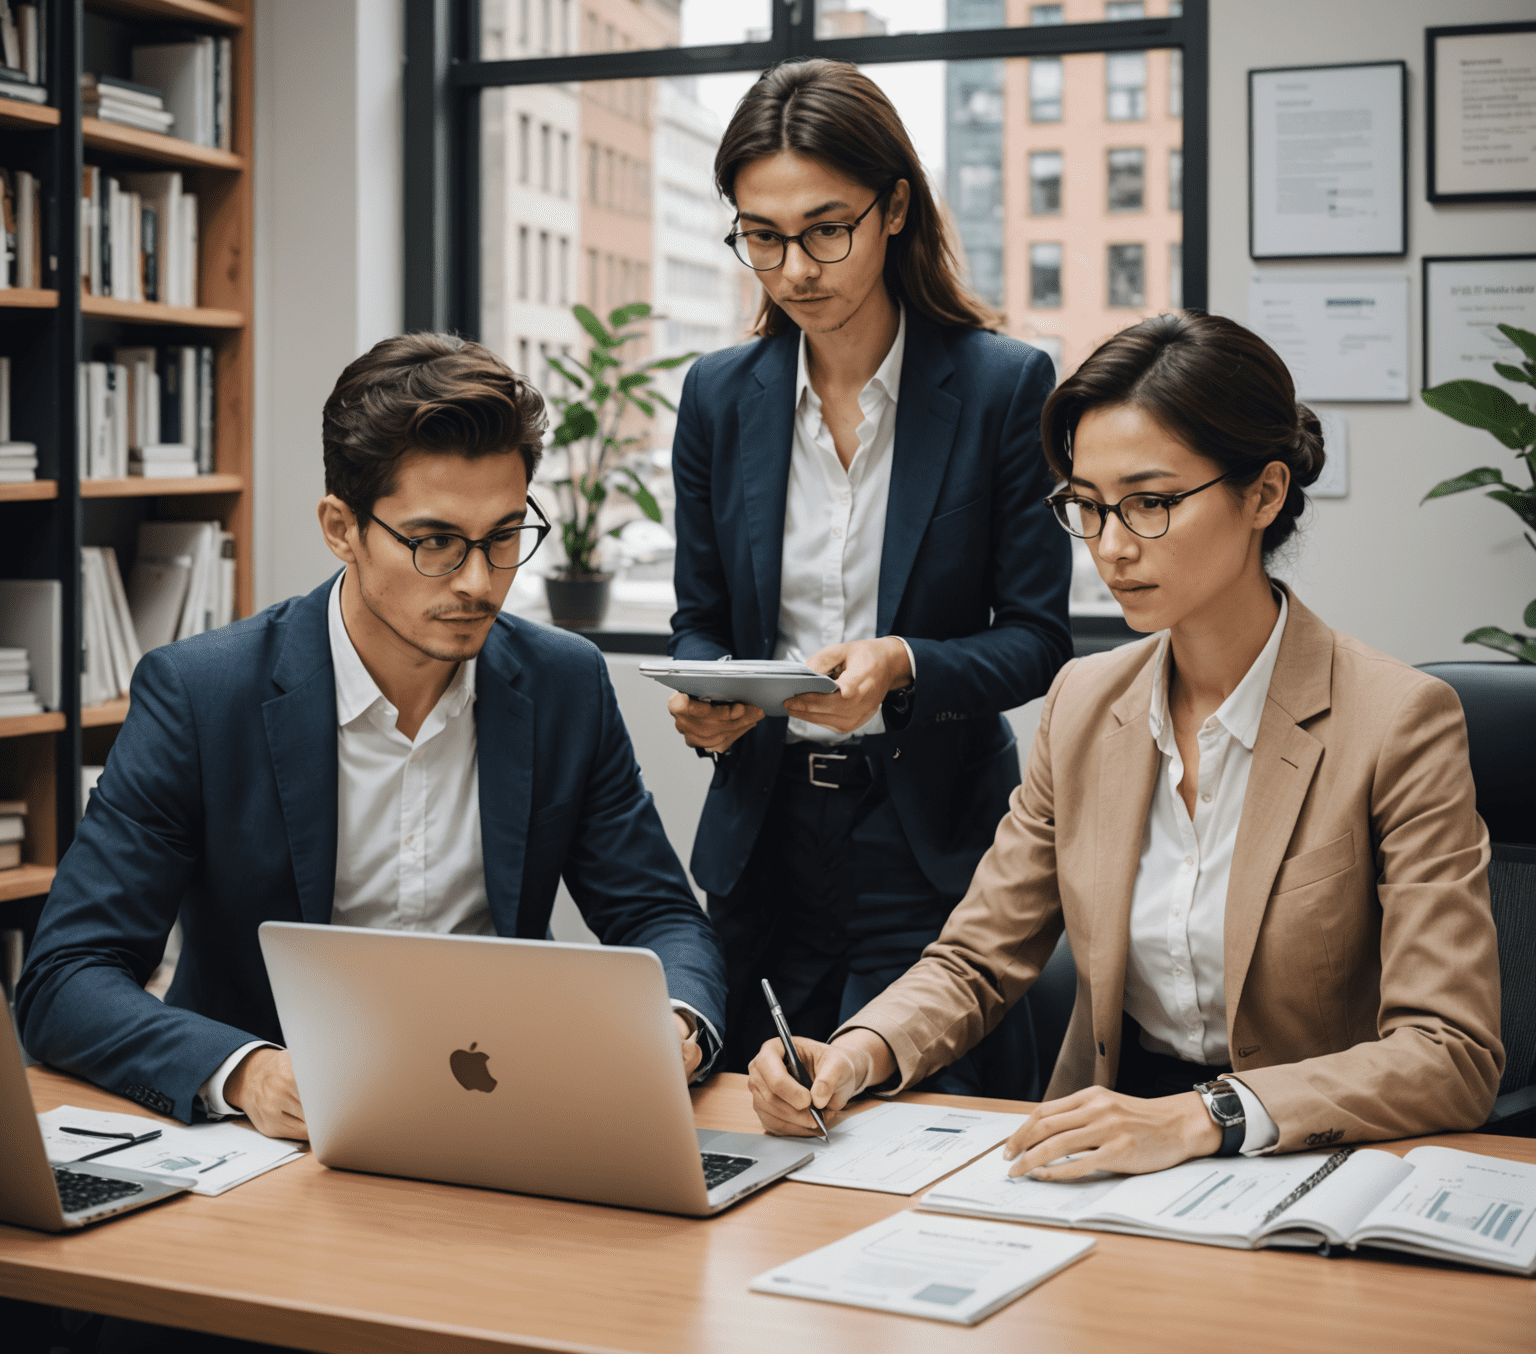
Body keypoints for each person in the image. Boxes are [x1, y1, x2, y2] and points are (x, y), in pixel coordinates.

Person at [749, 311, 1504, 1165]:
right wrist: (856, 1052)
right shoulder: (1085, 700)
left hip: (1299, 1158)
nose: (1110, 548)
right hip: (1102, 1151)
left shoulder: (1398, 720)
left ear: (1264, 492)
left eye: (1149, 504)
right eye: (1087, 507)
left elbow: (1451, 1052)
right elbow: (976, 959)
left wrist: (1202, 1116)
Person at [18, 334, 726, 1139]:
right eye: (433, 542)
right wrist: (250, 1074)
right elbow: (66, 977)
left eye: (503, 536)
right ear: (340, 527)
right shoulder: (201, 695)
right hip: (277, 1145)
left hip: (507, 1116)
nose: (477, 580)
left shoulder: (564, 683)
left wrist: (675, 1026)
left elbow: (659, 917)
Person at [667, 59, 1073, 1091]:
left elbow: (1037, 636)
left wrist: (902, 664)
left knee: (919, 1132)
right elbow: (700, 616)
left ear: (895, 207)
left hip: (927, 839)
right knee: (759, 1125)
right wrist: (707, 689)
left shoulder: (1000, 385)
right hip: (763, 840)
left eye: (824, 228)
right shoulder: (719, 396)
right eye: (762, 235)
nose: (795, 267)